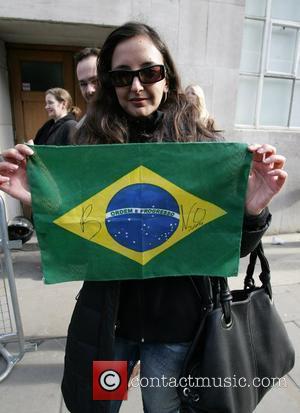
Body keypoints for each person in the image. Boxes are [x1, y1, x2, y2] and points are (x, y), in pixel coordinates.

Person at [0, 22, 287, 413]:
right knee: (98, 407)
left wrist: (253, 207)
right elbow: (76, 239)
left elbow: (228, 248)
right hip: (110, 326)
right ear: (109, 84)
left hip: (177, 329)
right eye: (122, 76)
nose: (136, 86)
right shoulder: (87, 149)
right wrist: (41, 200)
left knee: (162, 409)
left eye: (149, 72)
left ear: (167, 77)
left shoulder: (204, 150)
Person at [74, 47, 100, 128]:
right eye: (83, 84)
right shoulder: (80, 128)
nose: (89, 90)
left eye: (95, 81)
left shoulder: (133, 117)